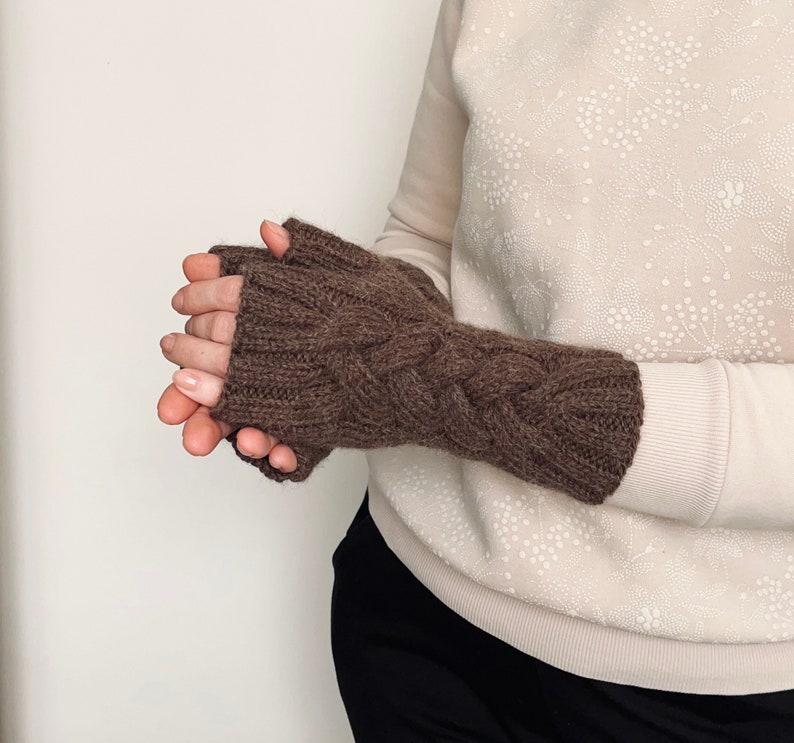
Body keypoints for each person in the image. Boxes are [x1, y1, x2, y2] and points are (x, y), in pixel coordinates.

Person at [158, 1, 794, 739]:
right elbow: (428, 228)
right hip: (416, 607)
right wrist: (340, 339)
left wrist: (409, 378)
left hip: (705, 685)